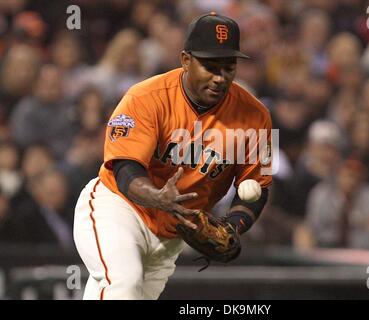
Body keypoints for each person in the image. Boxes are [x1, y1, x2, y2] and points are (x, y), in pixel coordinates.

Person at [73, 12, 273, 300]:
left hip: (170, 235)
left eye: (228, 67)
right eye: (210, 65)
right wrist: (156, 196)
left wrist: (234, 226)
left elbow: (258, 186)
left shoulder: (257, 115)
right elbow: (125, 168)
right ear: (185, 60)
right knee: (122, 283)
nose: (219, 77)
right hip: (118, 208)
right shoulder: (144, 97)